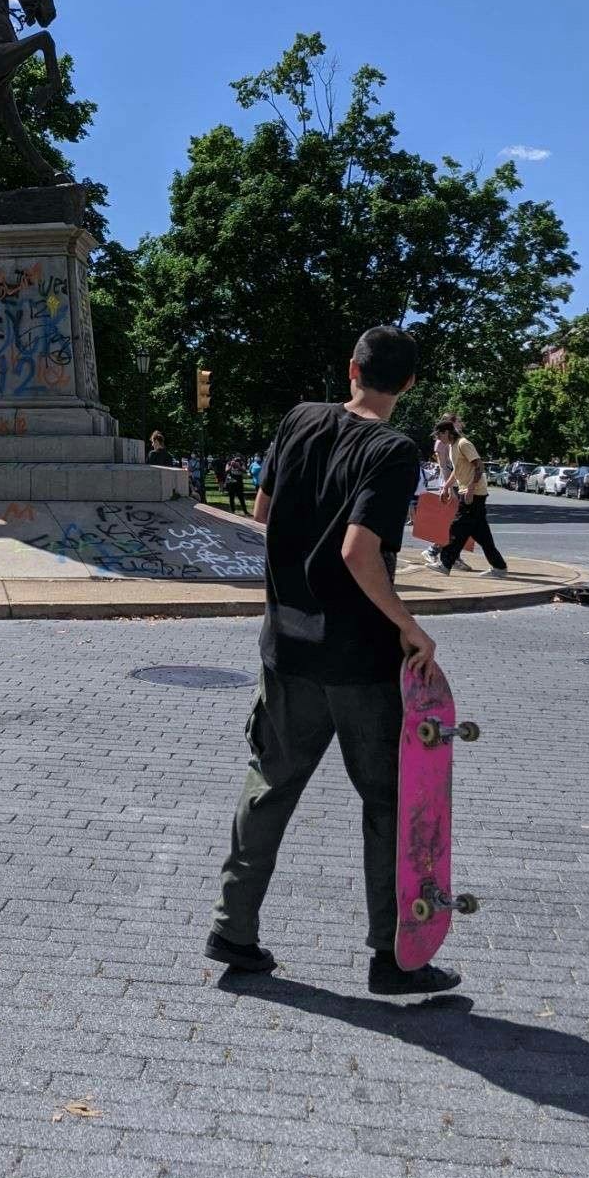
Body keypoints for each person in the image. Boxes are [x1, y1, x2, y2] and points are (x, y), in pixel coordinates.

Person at [205, 325, 458, 997]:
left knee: (269, 783)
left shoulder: (298, 420)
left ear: (352, 369)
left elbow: (262, 510)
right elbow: (358, 552)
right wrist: (412, 630)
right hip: (359, 660)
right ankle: (393, 957)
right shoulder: (392, 449)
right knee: (387, 801)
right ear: (406, 384)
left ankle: (234, 925)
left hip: (285, 644)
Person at [424, 417, 506, 576]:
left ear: (447, 432)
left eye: (439, 435)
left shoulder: (463, 444)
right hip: (468, 492)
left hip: (473, 494)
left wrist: (470, 488)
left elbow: (479, 466)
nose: (438, 439)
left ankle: (445, 564)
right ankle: (499, 568)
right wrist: (446, 487)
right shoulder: (452, 446)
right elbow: (458, 469)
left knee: (456, 528)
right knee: (481, 534)